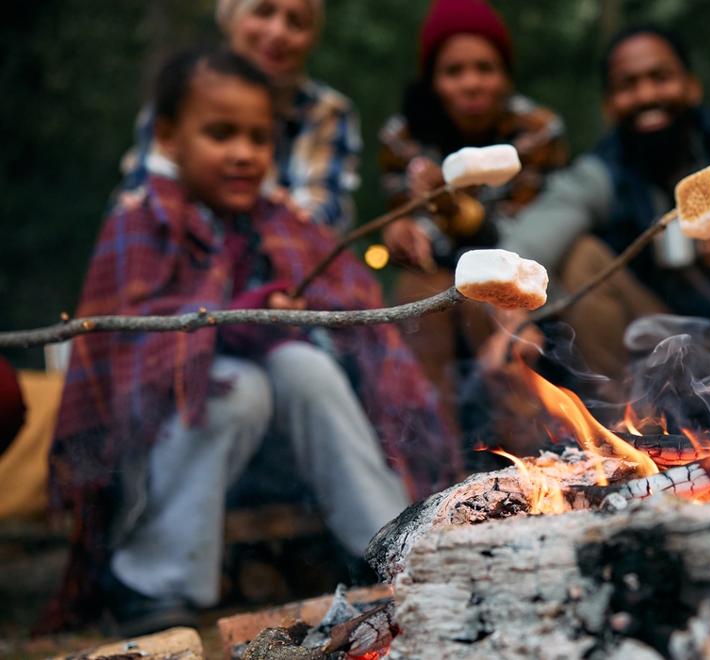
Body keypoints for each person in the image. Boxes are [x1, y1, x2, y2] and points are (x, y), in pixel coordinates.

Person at [43, 49, 459, 634]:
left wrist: (298, 317)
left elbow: (356, 321)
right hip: (167, 459)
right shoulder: (142, 219)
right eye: (220, 134)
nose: (243, 154)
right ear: (168, 136)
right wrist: (237, 320)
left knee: (303, 367)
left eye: (259, 139)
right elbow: (132, 360)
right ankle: (155, 579)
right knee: (238, 389)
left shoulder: (282, 222)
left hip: (282, 461)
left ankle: (395, 542)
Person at [498, 25, 710, 427]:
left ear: (692, 86)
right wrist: (507, 311)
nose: (646, 95)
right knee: (581, 258)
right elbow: (523, 245)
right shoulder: (602, 172)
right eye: (629, 84)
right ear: (609, 105)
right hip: (652, 346)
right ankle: (637, 431)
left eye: (660, 77)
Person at [378, 0, 568, 433]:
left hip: (515, 258)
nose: (471, 83)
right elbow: (403, 220)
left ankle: (534, 458)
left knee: (503, 314)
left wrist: (448, 207)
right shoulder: (403, 136)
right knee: (415, 304)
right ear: (432, 80)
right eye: (453, 71)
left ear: (506, 75)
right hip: (436, 270)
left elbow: (523, 225)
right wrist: (403, 230)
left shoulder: (536, 131)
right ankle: (432, 459)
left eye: (486, 68)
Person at [120, 0, 360, 230]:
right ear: (230, 17)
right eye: (263, 12)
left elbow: (320, 219)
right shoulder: (182, 97)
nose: (278, 32)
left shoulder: (329, 112)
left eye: (296, 22)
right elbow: (139, 197)